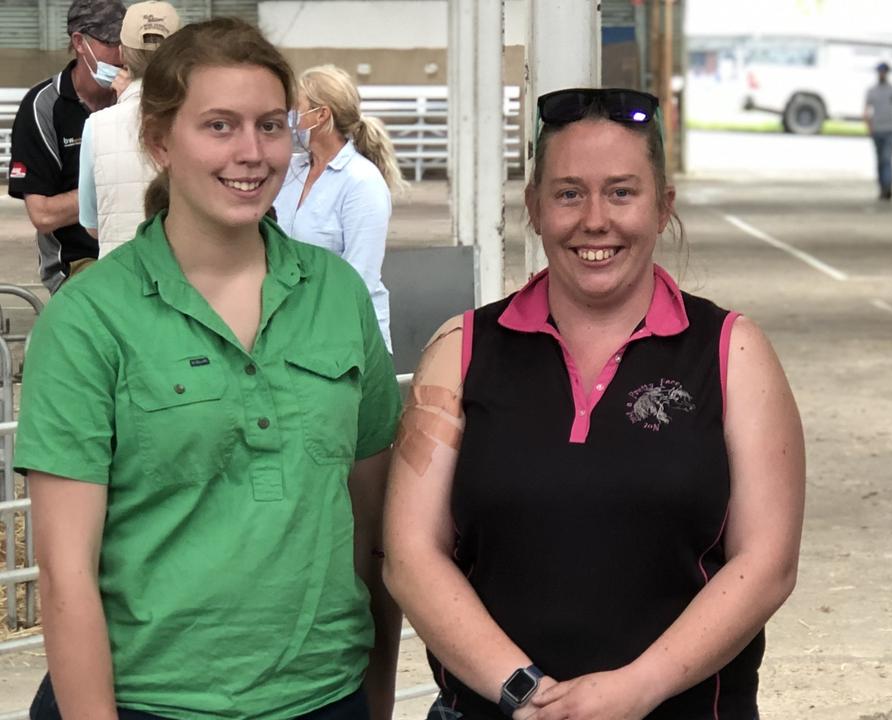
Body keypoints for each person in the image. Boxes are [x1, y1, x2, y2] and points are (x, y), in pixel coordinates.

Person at [16, 17, 403, 720]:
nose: (251, 153)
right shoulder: (89, 319)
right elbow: (66, 576)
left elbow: (372, 536)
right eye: (219, 126)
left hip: (323, 695)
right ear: (160, 141)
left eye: (269, 125)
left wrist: (375, 702)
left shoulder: (337, 296)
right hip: (145, 701)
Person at [382, 87, 805, 720]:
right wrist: (526, 693)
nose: (595, 220)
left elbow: (766, 562)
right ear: (534, 207)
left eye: (622, 192)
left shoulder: (732, 353)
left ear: (663, 207)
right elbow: (411, 553)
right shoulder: (461, 350)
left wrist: (636, 688)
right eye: (569, 192)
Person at [273, 64, 407, 352]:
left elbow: (360, 277)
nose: (290, 119)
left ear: (321, 115)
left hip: (343, 335)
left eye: (297, 109)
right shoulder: (290, 171)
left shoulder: (362, 182)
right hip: (291, 329)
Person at [7, 0, 125, 292]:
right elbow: (43, 215)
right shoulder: (44, 107)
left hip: (138, 250)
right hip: (79, 261)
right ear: (79, 42)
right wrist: (119, 184)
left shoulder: (139, 99)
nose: (121, 53)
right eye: (111, 41)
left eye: (126, 42)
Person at [79, 0, 180, 258]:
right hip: (186, 275)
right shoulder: (201, 119)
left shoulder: (97, 126)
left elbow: (91, 224)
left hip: (120, 279)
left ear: (122, 53)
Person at [862, 61, 892, 202]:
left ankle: (888, 187)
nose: (882, 74)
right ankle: (882, 188)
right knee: (879, 161)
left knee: (887, 159)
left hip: (890, 130)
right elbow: (866, 111)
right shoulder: (872, 91)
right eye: (880, 72)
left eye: (884, 72)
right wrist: (868, 127)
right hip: (877, 130)